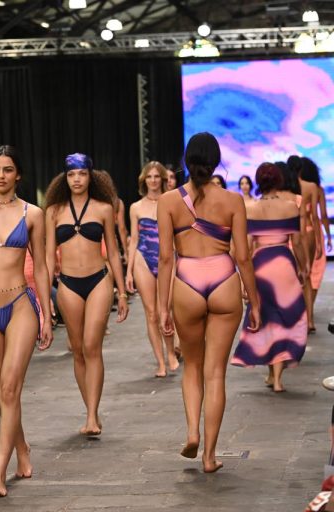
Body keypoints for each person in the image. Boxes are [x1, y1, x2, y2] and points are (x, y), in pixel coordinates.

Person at [157, 132, 260, 473]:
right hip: (224, 280)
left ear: (186, 161)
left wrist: (162, 307)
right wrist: (255, 301)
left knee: (192, 367)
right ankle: (210, 456)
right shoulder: (233, 201)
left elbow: (165, 259)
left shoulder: (168, 202)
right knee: (215, 373)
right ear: (216, 162)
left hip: (187, 282)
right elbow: (243, 256)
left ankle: (192, 432)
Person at [0, 145, 53, 497]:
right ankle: (22, 449)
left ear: (18, 174)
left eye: (7, 169)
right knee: (0, 391)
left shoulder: (32, 213)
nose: (1, 175)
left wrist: (46, 313)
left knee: (9, 388)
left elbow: (43, 266)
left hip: (20, 303)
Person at [45, 153, 128, 437]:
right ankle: (90, 409)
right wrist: (44, 297)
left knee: (92, 345)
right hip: (68, 283)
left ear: (91, 176)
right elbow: (48, 256)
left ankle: (92, 415)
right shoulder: (54, 211)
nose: (77, 179)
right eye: (71, 174)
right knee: (78, 348)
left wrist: (123, 292)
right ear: (65, 178)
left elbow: (113, 252)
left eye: (82, 173)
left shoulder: (104, 208)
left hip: (98, 280)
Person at [231, 163, 307, 392]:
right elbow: (298, 243)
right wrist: (303, 268)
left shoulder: (250, 208)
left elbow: (245, 249)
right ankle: (277, 377)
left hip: (261, 267)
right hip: (284, 265)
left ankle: (272, 374)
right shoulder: (290, 207)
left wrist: (243, 279)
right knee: (285, 318)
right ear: (278, 180)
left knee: (267, 317)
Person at [126, 161, 178, 378]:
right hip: (143, 258)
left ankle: (171, 353)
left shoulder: (172, 202)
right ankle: (161, 362)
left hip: (168, 258)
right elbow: (133, 239)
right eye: (149, 176)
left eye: (157, 176)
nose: (153, 180)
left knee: (166, 308)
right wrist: (128, 271)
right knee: (151, 313)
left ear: (163, 179)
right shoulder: (136, 207)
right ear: (144, 180)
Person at [289, 155, 321, 333]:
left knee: (292, 277)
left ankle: (296, 320)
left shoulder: (287, 188)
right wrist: (320, 243)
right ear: (301, 169)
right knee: (306, 276)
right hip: (308, 232)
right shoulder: (311, 187)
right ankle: (310, 321)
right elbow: (315, 216)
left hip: (290, 234)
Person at [299, 157, 330, 330]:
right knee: (314, 273)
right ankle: (308, 312)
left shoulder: (294, 188)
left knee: (302, 273)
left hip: (297, 235)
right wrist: (328, 236)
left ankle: (304, 313)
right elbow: (322, 215)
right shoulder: (317, 189)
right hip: (314, 234)